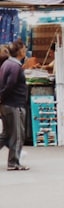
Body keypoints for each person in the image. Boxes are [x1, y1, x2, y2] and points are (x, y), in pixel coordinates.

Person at [0, 41, 29, 171]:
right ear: (20, 51)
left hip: (7, 104)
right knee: (17, 134)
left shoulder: (6, 64)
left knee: (6, 134)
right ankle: (14, 163)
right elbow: (10, 85)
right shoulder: (15, 66)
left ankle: (14, 161)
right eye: (24, 48)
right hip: (14, 104)